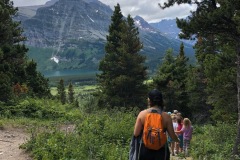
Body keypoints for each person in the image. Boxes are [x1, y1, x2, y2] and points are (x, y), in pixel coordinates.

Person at [133, 89, 180, 160]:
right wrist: (177, 140)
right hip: (161, 151)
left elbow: (136, 133)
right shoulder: (166, 116)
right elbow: (172, 135)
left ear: (149, 100)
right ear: (161, 100)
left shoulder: (142, 114)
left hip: (145, 150)